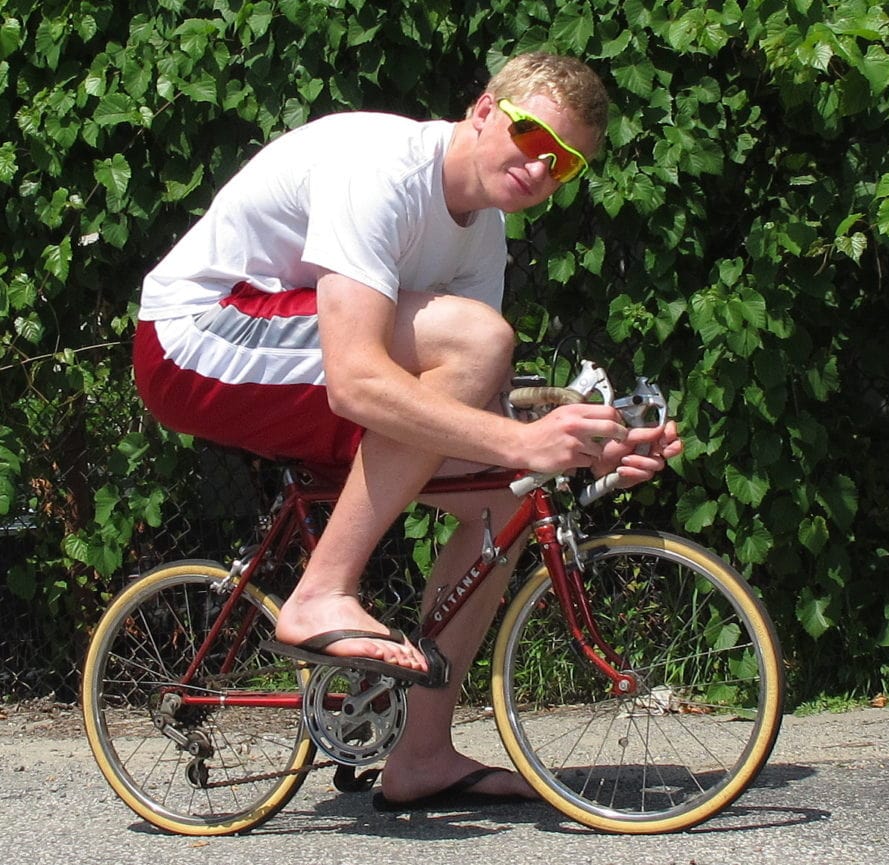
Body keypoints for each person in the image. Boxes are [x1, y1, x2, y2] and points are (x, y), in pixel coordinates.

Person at [133, 52, 682, 809]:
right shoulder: (384, 167)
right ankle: (321, 591)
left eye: (564, 165)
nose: (540, 168)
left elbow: (467, 409)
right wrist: (523, 441)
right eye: (531, 136)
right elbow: (358, 379)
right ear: (484, 109)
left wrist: (588, 449)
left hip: (285, 350)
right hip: (191, 340)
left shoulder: (482, 232)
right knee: (482, 346)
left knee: (500, 504)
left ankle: (420, 755)